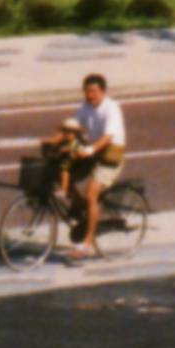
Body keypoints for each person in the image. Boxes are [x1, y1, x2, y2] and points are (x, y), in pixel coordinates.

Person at [54, 72, 126, 260]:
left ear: (103, 91)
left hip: (110, 156)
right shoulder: (86, 107)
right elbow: (73, 127)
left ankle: (87, 243)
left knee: (91, 194)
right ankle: (81, 208)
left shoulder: (111, 108)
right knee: (62, 172)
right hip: (94, 153)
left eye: (93, 91)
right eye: (86, 91)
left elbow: (108, 137)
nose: (89, 95)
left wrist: (90, 149)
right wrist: (54, 141)